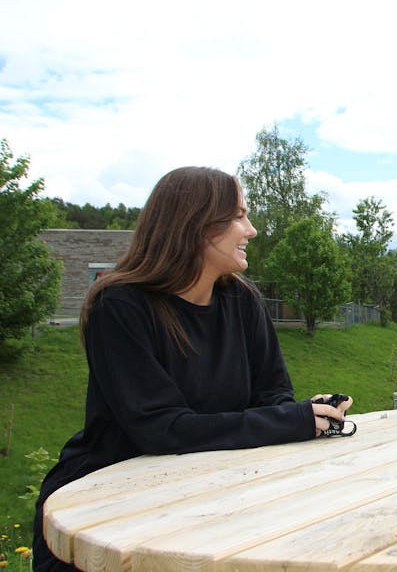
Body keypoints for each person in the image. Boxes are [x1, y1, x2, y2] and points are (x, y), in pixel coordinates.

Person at [33, 166, 352, 572]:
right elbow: (160, 428)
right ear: (197, 225)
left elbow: (273, 398)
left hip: (208, 496)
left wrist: (302, 416)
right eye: (239, 215)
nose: (251, 230)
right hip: (107, 509)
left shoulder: (242, 300)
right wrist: (289, 420)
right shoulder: (118, 305)